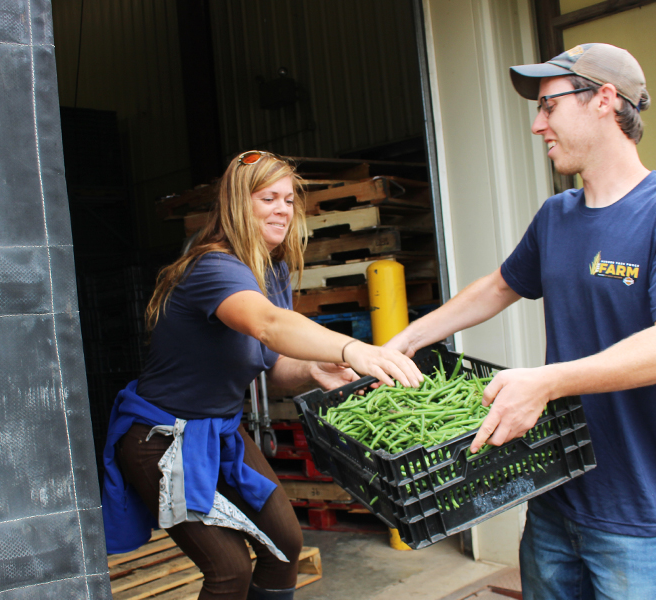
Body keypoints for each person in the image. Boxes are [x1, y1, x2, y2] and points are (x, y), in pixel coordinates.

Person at [385, 44, 656, 600]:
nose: (536, 124)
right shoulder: (556, 216)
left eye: (548, 105)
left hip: (634, 513)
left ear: (604, 101)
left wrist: (546, 381)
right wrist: (405, 340)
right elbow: (499, 285)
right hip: (553, 496)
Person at [101, 150, 423, 600]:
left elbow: (271, 366)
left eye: (289, 200)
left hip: (220, 432)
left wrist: (313, 368)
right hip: (162, 442)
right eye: (267, 198)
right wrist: (352, 347)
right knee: (229, 570)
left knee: (285, 545)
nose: (282, 210)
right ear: (237, 204)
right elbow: (267, 325)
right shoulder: (213, 267)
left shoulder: (271, 272)